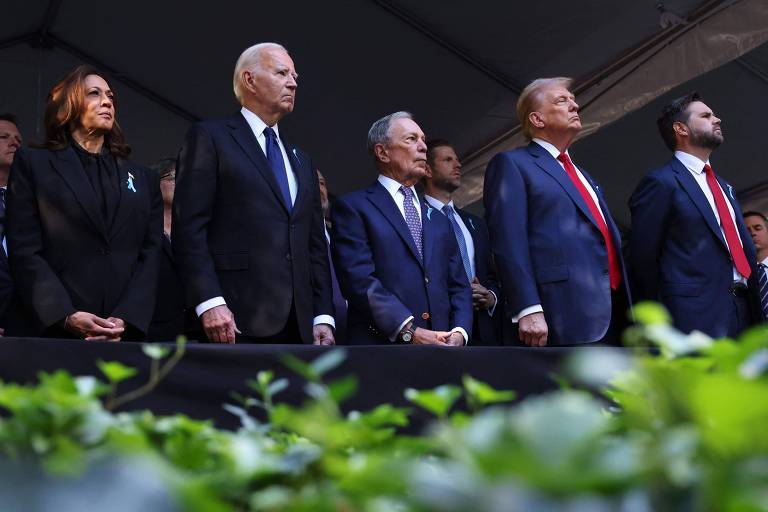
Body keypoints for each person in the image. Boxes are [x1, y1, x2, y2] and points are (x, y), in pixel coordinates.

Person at [173, 42, 334, 345]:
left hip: (299, 326)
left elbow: (314, 244)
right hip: (233, 319)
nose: (293, 82)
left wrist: (322, 314)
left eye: (295, 76)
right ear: (250, 80)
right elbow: (189, 227)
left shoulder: (301, 157)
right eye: (282, 73)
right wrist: (209, 301)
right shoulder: (211, 138)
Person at [5, 65, 162, 340]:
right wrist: (64, 314)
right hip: (54, 330)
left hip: (123, 333)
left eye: (110, 96)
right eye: (94, 93)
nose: (106, 101)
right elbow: (24, 248)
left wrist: (127, 317)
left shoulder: (143, 177)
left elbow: (150, 255)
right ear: (68, 106)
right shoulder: (34, 164)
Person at [484, 77, 631, 346]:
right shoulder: (512, 164)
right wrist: (527, 307)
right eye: (562, 100)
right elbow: (508, 241)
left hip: (614, 309)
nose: (574, 106)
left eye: (573, 100)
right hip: (561, 314)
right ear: (537, 120)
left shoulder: (583, 175)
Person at [331, 111, 472, 346]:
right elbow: (359, 279)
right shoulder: (353, 207)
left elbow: (459, 285)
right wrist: (408, 330)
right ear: (382, 152)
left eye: (423, 140)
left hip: (444, 350)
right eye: (411, 139)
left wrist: (460, 332)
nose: (423, 147)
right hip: (382, 351)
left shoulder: (438, 218)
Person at [629, 92, 759, 338]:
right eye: (706, 115)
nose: (717, 119)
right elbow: (643, 257)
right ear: (681, 128)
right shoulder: (661, 183)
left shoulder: (724, 186)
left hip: (743, 311)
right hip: (691, 317)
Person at [423, 139, 501, 345]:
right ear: (427, 170)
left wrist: (491, 296)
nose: (458, 165)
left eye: (457, 160)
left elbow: (492, 274)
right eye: (448, 160)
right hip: (440, 329)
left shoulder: (474, 222)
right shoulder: (417, 218)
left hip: (483, 328)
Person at [147, 157, 189, 340]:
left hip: (192, 323)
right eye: (172, 176)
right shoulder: (143, 225)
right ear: (156, 182)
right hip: (154, 321)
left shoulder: (193, 227)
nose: (179, 182)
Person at [317, 169, 347, 343]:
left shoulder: (339, 235)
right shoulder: (292, 239)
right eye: (312, 183)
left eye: (322, 183)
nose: (319, 189)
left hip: (348, 337)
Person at [0, 114, 22, 335]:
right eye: (4, 137)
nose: (14, 142)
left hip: (24, 329)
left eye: (17, 139)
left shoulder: (34, 202)